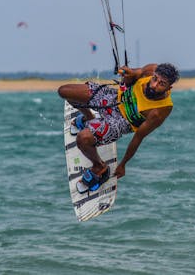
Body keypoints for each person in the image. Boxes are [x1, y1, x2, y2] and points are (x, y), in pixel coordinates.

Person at [58, 63, 180, 193]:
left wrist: (123, 164)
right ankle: (89, 118)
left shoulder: (160, 110)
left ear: (169, 87)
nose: (154, 85)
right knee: (64, 92)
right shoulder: (150, 70)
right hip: (114, 98)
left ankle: (100, 167)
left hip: (121, 121)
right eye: (155, 79)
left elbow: (138, 137)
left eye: (162, 84)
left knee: (83, 138)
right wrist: (128, 74)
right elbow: (133, 75)